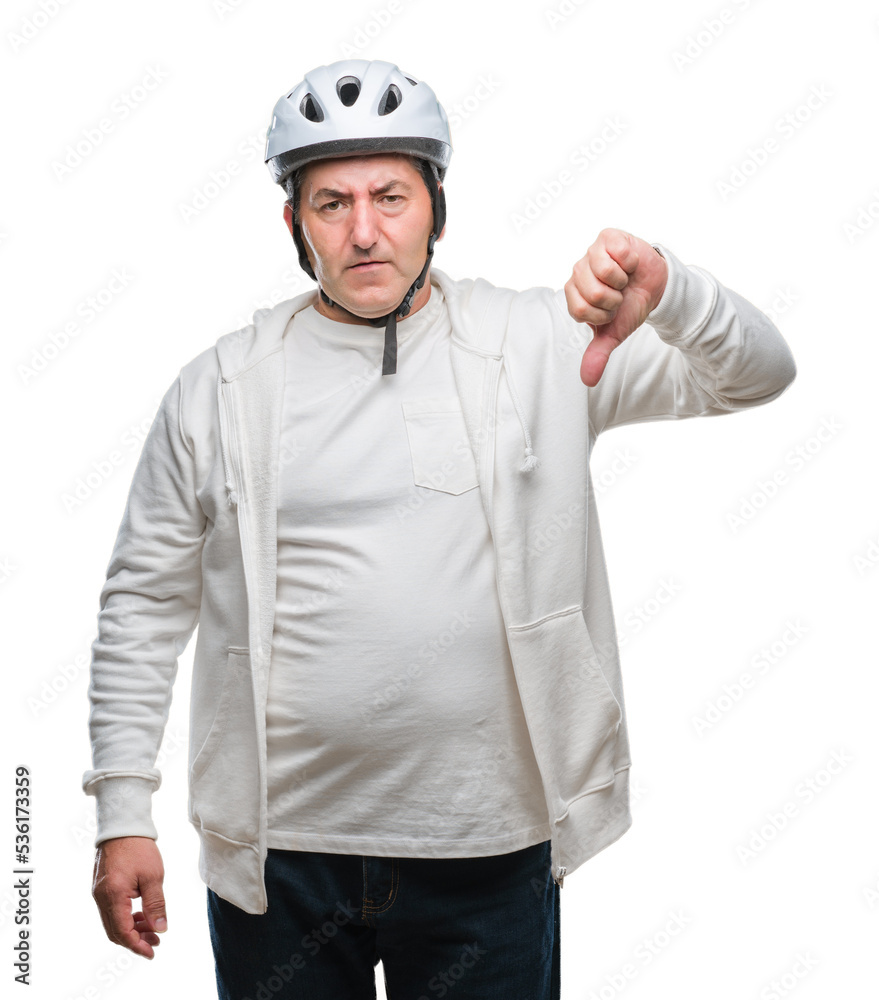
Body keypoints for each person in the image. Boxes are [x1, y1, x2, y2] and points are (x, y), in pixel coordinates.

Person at [83, 58, 797, 999]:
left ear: (437, 208)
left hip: (489, 850)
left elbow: (757, 375)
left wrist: (668, 293)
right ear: (294, 224)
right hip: (281, 861)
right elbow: (143, 599)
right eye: (332, 203)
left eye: (391, 195)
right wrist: (121, 811)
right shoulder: (219, 388)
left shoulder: (541, 345)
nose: (365, 230)